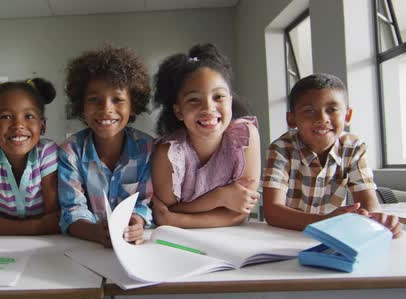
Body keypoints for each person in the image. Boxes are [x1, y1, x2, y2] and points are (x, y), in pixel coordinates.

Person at [262, 73, 402, 238]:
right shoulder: (281, 148)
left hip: (333, 237)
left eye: (332, 110)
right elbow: (273, 212)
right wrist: (325, 221)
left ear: (347, 116)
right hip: (287, 235)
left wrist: (380, 223)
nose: (322, 119)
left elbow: (369, 204)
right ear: (291, 119)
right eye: (309, 111)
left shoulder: (353, 148)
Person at [151, 43, 261, 228]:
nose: (208, 108)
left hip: (235, 240)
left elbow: (240, 213)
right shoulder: (167, 153)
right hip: (178, 243)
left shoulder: (246, 137)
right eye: (194, 99)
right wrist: (220, 197)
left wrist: (178, 219)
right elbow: (163, 214)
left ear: (230, 102)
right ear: (178, 111)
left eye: (218, 97)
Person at [59, 45, 154, 247]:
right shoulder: (70, 152)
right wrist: (96, 232)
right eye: (94, 100)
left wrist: (136, 222)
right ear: (81, 106)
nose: (106, 109)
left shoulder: (148, 149)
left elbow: (144, 203)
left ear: (133, 104)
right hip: (86, 247)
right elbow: (72, 210)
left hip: (132, 249)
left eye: (118, 99)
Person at [0, 78, 59, 235]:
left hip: (49, 241)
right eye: (6, 116)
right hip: (9, 243)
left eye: (29, 116)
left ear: (42, 126)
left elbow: (56, 220)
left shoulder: (47, 152)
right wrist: (38, 226)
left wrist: (0, 226)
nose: (18, 124)